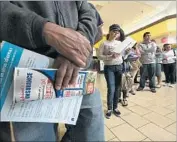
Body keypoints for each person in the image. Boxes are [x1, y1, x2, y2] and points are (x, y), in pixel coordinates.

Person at [0, 1, 105, 141]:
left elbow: (89, 11)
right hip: (27, 72)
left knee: (92, 136)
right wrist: (43, 29)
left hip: (79, 73)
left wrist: (78, 44)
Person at [97, 24, 125, 119]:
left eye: (117, 32)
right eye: (114, 31)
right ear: (110, 31)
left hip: (119, 67)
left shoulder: (119, 43)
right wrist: (109, 57)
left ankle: (115, 107)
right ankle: (109, 108)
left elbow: (123, 55)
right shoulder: (104, 43)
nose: (115, 34)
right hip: (109, 68)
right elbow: (99, 56)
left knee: (118, 88)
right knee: (111, 88)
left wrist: (128, 51)